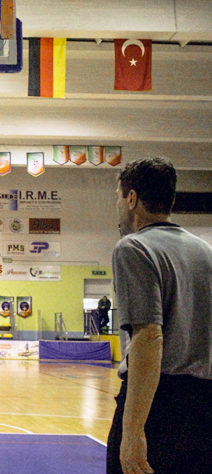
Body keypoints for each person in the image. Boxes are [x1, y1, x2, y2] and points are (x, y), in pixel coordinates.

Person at [106, 157, 212, 474]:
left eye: (118, 198)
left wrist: (135, 430)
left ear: (132, 199)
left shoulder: (134, 248)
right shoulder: (205, 252)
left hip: (160, 406)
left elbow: (149, 335)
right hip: (204, 406)